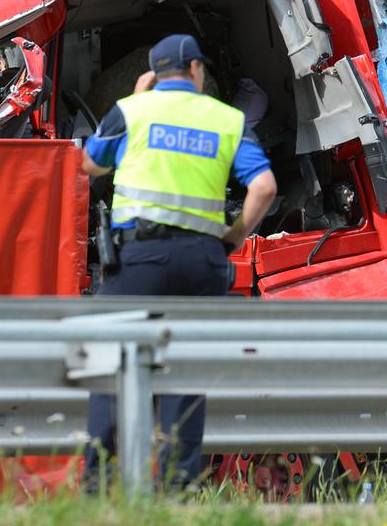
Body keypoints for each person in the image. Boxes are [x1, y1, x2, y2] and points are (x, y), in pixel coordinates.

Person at [80, 34, 278, 493]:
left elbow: (89, 165)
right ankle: (178, 486)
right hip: (201, 261)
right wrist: (234, 235)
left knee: (114, 362)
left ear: (153, 73)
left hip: (139, 257)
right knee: (185, 373)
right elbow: (264, 187)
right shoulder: (226, 119)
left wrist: (133, 100)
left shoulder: (134, 111)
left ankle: (98, 484)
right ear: (195, 72)